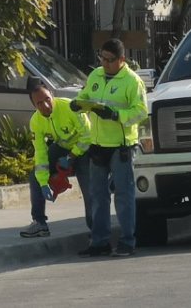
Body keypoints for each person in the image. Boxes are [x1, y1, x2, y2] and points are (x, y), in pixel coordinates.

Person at [71, 39, 148, 257]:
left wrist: (116, 115)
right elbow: (86, 96)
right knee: (97, 195)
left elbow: (141, 111)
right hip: (98, 144)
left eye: (109, 60)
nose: (104, 63)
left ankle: (127, 241)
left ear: (122, 60)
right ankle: (100, 242)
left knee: (123, 195)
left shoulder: (132, 82)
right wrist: (78, 103)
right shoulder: (95, 75)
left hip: (121, 145)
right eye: (102, 58)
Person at [20, 79, 92, 238]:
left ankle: (97, 230)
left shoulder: (69, 106)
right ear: (34, 106)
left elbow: (88, 135)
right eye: (39, 103)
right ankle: (39, 223)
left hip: (85, 149)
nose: (45, 105)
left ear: (52, 95)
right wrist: (44, 183)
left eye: (47, 99)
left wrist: (71, 157)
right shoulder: (36, 122)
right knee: (35, 177)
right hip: (63, 148)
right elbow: (40, 153)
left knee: (89, 190)